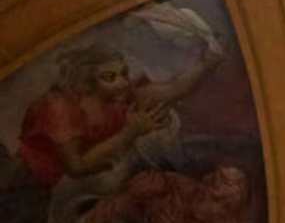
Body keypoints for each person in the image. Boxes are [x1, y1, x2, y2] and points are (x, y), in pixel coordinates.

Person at [16, 41, 222, 188]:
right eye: (110, 77)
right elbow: (77, 167)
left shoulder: (120, 96)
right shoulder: (60, 107)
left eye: (124, 73)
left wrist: (205, 64)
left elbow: (175, 88)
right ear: (87, 81)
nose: (123, 82)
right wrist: (129, 133)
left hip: (88, 184)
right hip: (32, 186)